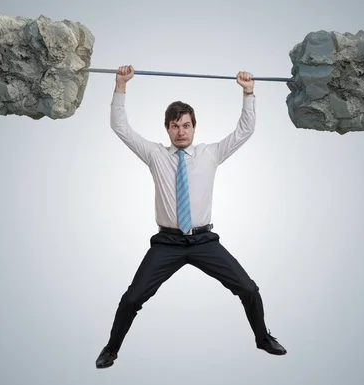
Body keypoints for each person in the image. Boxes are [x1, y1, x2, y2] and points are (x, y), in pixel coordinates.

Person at [95, 64, 286, 369]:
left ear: (194, 127)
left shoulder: (210, 153)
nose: (180, 131)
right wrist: (121, 86)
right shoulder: (155, 155)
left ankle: (263, 338)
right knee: (132, 299)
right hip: (167, 242)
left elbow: (244, 131)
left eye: (186, 125)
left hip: (203, 241)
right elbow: (121, 127)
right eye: (174, 126)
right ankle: (111, 349)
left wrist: (248, 93)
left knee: (249, 289)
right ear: (167, 129)